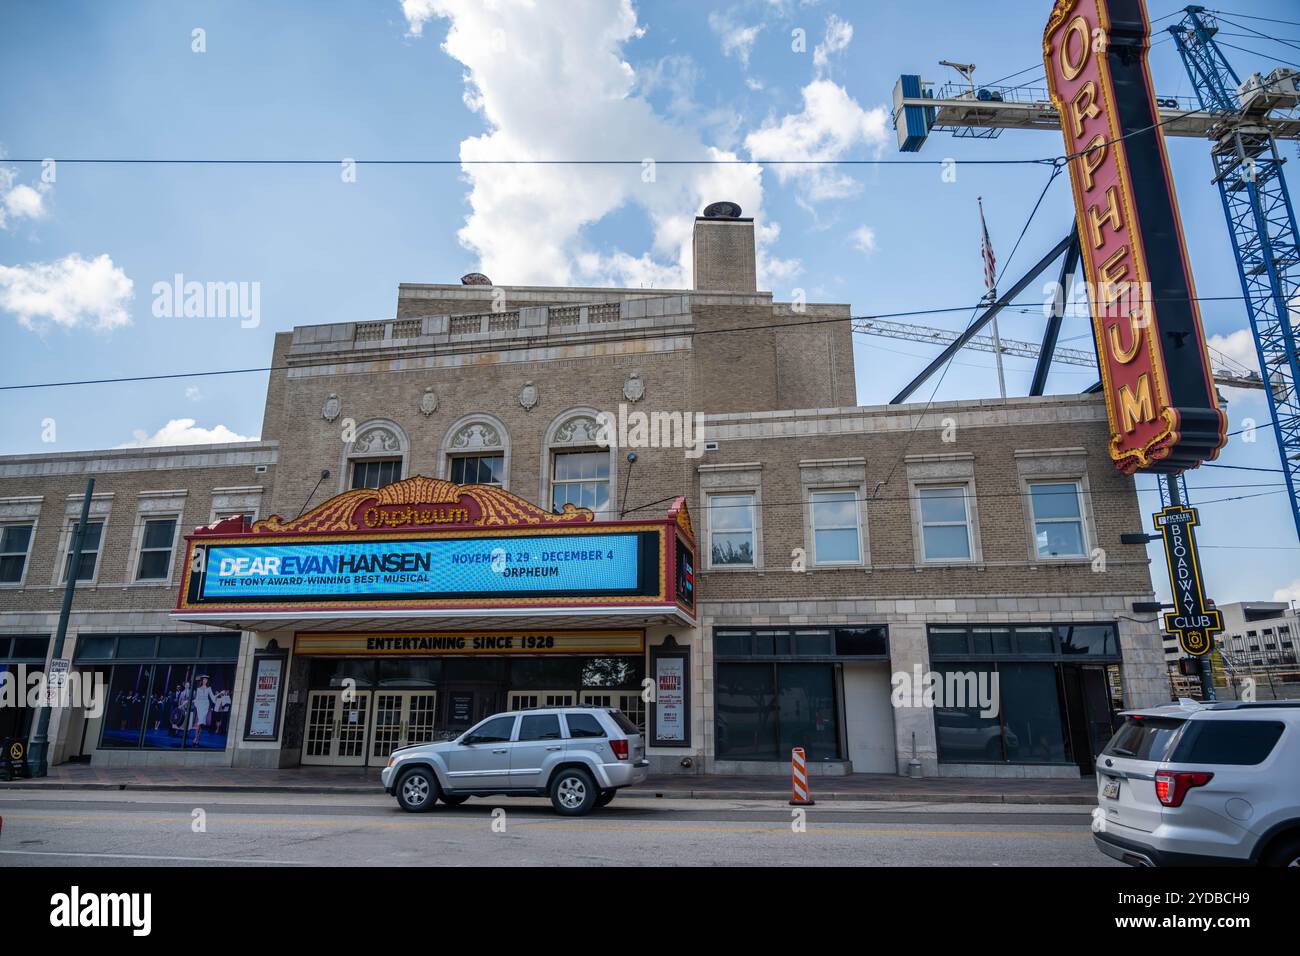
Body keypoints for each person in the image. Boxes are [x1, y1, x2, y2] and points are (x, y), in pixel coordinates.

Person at [188, 675, 218, 748]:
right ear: (202, 681)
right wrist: (188, 702)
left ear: (207, 681)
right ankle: (197, 739)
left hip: (205, 706)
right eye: (204, 679)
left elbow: (213, 699)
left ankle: (196, 739)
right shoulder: (198, 689)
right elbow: (196, 699)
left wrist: (219, 694)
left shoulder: (209, 688)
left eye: (206, 680)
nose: (205, 681)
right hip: (199, 706)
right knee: (199, 723)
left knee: (200, 723)